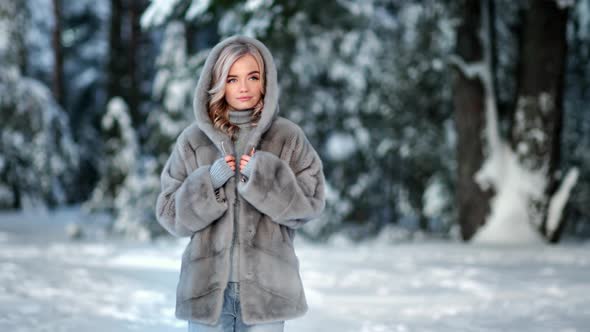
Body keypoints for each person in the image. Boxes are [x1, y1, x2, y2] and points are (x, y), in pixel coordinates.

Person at [155, 35, 326, 332]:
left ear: (266, 81)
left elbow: (310, 204)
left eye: (253, 76)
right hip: (206, 296)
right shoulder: (193, 141)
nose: (244, 87)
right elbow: (169, 214)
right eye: (232, 79)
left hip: (268, 295)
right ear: (218, 82)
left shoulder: (288, 137)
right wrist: (208, 183)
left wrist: (264, 178)